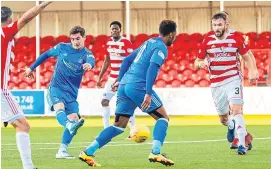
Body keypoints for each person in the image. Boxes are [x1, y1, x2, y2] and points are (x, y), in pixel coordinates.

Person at [79, 20, 177, 167]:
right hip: (138, 86)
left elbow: (126, 60)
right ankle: (156, 152)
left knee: (118, 125)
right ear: (171, 34)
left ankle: (88, 152)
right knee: (163, 118)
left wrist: (119, 80)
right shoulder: (161, 47)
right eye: (174, 35)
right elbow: (152, 68)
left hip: (124, 85)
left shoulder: (148, 42)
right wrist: (148, 93)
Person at [23, 26, 95, 159]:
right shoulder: (62, 47)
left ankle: (62, 151)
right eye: (72, 39)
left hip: (72, 93)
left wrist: (89, 65)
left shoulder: (86, 54)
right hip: (56, 87)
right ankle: (68, 125)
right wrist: (31, 68)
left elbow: (91, 61)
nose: (75, 42)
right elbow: (46, 55)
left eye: (78, 38)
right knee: (60, 108)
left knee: (74, 118)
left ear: (84, 38)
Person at [195, 13, 258, 155]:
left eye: (219, 25)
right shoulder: (207, 40)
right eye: (214, 25)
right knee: (223, 118)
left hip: (233, 78)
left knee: (236, 110)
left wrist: (252, 70)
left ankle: (242, 144)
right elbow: (196, 61)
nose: (217, 28)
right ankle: (231, 126)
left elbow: (247, 56)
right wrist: (201, 64)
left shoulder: (236, 37)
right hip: (216, 84)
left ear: (226, 25)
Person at [1, 2, 52, 169]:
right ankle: (29, 167)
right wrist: (43, 4)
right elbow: (27, 17)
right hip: (1, 91)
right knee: (23, 125)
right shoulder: (5, 32)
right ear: (10, 20)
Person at [96, 21, 136, 132]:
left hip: (124, 78)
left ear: (120, 30)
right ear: (110, 30)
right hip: (112, 77)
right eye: (112, 29)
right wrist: (100, 78)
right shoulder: (108, 42)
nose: (114, 30)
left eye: (116, 29)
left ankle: (133, 129)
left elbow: (131, 61)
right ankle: (106, 129)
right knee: (104, 101)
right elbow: (106, 60)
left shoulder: (126, 42)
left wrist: (127, 78)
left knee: (126, 103)